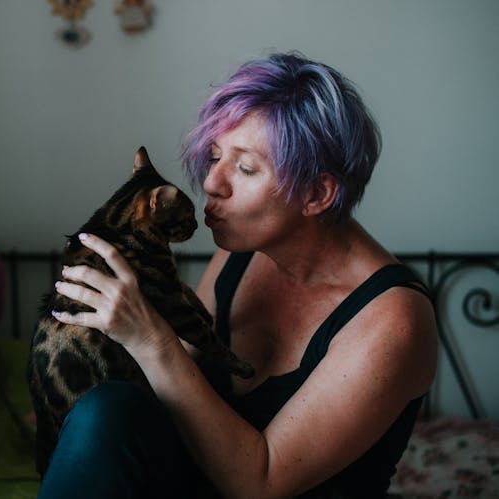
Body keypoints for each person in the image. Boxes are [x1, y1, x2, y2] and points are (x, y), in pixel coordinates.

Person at [39, 52, 438, 498]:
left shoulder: (393, 321)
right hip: (195, 481)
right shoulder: (243, 254)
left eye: (245, 168)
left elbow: (258, 484)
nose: (211, 182)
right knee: (107, 410)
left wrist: (150, 338)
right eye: (214, 157)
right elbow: (185, 378)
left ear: (317, 193)